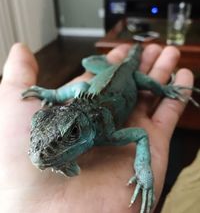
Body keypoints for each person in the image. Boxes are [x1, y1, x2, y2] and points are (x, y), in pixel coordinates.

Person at [0, 42, 194, 212]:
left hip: (128, 73)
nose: (39, 154)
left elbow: (141, 134)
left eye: (73, 132)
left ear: (82, 129)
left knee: (149, 83)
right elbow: (80, 89)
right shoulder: (76, 106)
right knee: (86, 63)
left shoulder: (108, 133)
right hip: (103, 76)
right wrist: (54, 95)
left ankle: (164, 86)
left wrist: (143, 168)